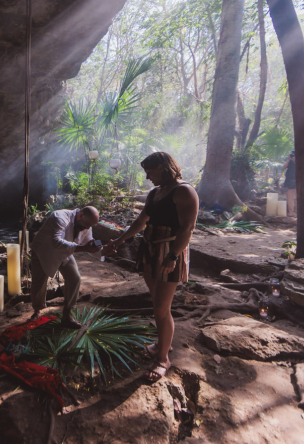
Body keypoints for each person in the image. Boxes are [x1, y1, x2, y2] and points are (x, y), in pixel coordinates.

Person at [106, 152, 199, 382]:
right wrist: (119, 240)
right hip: (149, 250)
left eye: (150, 171)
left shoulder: (184, 191)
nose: (147, 177)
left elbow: (188, 228)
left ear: (162, 167)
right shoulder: (155, 193)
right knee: (157, 302)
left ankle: (163, 359)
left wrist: (174, 255)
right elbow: (140, 222)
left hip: (169, 253)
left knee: (161, 307)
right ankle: (161, 344)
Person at [29, 206, 110, 328]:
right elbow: (57, 242)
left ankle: (67, 315)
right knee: (38, 283)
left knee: (75, 278)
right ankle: (37, 310)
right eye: (87, 224)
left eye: (91, 226)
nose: (88, 228)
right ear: (81, 215)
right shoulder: (59, 217)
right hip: (44, 251)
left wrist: (103, 251)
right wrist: (83, 248)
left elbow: (88, 243)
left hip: (65, 253)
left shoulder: (86, 225)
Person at [283, 150, 297, 217]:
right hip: (289, 181)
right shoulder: (290, 161)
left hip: (298, 181)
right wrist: (289, 159)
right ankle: (291, 212)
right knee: (289, 197)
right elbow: (284, 167)